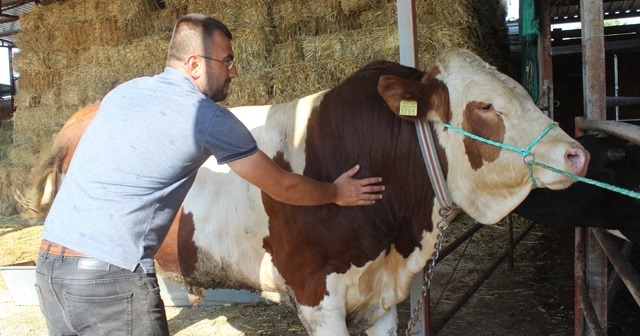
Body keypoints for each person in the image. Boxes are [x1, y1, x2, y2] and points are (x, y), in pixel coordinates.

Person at [35, 13, 384, 335]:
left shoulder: (123, 92)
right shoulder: (205, 118)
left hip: (51, 270)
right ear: (194, 63)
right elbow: (284, 187)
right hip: (110, 280)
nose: (234, 71)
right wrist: (337, 193)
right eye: (228, 60)